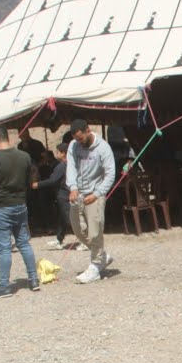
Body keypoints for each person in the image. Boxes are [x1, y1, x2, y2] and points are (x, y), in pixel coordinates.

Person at [0, 126, 40, 299]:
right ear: (7, 137)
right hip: (20, 204)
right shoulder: (24, 156)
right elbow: (29, 179)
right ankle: (34, 279)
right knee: (24, 243)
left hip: (1, 206)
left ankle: (4, 286)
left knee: (4, 248)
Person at [66, 118, 116, 284]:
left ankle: (95, 265)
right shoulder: (73, 146)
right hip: (78, 193)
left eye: (81, 138)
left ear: (88, 130)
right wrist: (73, 187)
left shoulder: (103, 148)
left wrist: (97, 193)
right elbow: (71, 167)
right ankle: (102, 256)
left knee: (95, 232)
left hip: (95, 193)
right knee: (78, 230)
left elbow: (110, 174)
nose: (79, 142)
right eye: (76, 140)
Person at [40, 142, 73, 249]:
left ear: (63, 153)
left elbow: (53, 180)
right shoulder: (71, 164)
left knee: (70, 219)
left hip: (64, 194)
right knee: (62, 218)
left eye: (57, 152)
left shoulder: (61, 166)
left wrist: (38, 184)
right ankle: (59, 239)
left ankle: (85, 240)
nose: (56, 154)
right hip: (66, 193)